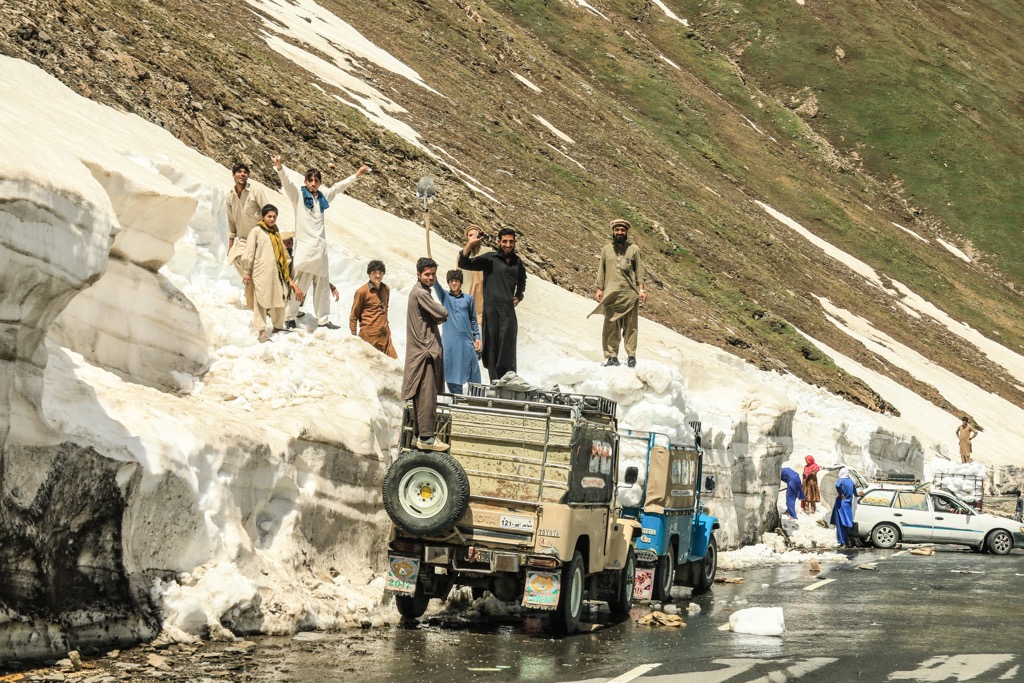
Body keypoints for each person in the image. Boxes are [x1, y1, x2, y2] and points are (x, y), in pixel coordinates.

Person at [273, 155, 370, 329]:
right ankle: (289, 316)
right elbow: (287, 184)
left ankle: (323, 320)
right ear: (305, 181)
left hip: (320, 249)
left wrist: (356, 175)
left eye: (316, 181)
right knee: (301, 283)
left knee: (322, 286)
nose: (313, 184)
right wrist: (280, 167)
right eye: (310, 180)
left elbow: (337, 188)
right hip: (305, 249)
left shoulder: (322, 197)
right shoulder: (299, 197)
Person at [458, 227, 526, 381]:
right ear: (498, 242)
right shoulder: (490, 259)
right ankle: (495, 384)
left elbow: (522, 279)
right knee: (493, 349)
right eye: (505, 241)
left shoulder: (517, 261)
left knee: (508, 349)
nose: (508, 244)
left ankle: (509, 384)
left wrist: (519, 295)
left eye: (511, 241)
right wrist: (470, 244)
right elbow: (464, 263)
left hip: (508, 313)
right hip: (492, 312)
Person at [402, 258, 449, 452]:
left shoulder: (422, 293)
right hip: (425, 353)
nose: (430, 278)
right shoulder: (421, 293)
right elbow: (442, 313)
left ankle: (423, 435)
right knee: (426, 396)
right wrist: (437, 313)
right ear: (418, 274)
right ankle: (427, 437)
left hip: (424, 352)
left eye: (432, 274)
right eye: (427, 274)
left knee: (424, 395)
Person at [242, 205, 304, 343]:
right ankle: (261, 331)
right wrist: (247, 272)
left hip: (277, 273)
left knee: (279, 299)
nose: (272, 219)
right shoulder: (256, 231)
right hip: (261, 272)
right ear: (263, 216)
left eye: (274, 217)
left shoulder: (275, 232)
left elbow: (283, 253)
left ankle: (277, 326)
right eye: (269, 216)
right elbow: (250, 252)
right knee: (261, 301)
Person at [591, 218, 645, 367]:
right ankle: (611, 356)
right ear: (613, 232)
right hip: (611, 293)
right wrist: (599, 288)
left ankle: (631, 355)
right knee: (611, 325)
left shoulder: (634, 249)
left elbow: (639, 271)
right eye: (617, 230)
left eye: (622, 230)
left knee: (631, 326)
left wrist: (641, 290)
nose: (619, 232)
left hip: (629, 294)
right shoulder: (606, 249)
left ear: (626, 232)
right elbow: (601, 269)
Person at [226, 162, 270, 310]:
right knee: (237, 257)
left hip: (260, 236)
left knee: (259, 270)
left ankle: (262, 303)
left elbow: (268, 212)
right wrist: (230, 244)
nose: (242, 174)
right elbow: (231, 222)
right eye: (239, 172)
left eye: (245, 172)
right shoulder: (230, 196)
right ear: (233, 176)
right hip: (244, 238)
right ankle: (253, 301)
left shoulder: (256, 192)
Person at [433, 269, 481, 394]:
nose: (454, 283)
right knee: (451, 371)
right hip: (449, 343)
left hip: (466, 342)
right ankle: (457, 399)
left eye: (456, 281)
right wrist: (433, 270)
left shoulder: (468, 299)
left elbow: (473, 320)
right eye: (451, 281)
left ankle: (477, 401)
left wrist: (477, 337)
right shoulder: (444, 297)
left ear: (461, 283)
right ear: (448, 283)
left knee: (474, 372)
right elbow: (435, 284)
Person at [349, 260, 397, 359]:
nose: (378, 275)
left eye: (380, 273)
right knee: (373, 368)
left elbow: (385, 309)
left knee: (395, 365)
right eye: (374, 272)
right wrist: (354, 336)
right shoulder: (361, 292)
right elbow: (354, 315)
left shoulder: (386, 289)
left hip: (385, 337)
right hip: (369, 338)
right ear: (369, 274)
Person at [463, 225, 486, 334]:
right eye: (470, 235)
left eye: (475, 235)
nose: (473, 238)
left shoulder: (487, 252)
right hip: (467, 291)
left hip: (482, 293)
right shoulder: (463, 255)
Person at [830, 467, 857, 548]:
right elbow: (855, 493)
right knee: (846, 523)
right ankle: (847, 541)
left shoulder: (841, 480)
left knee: (840, 524)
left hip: (840, 504)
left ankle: (842, 542)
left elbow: (837, 485)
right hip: (848, 505)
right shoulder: (851, 481)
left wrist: (840, 493)